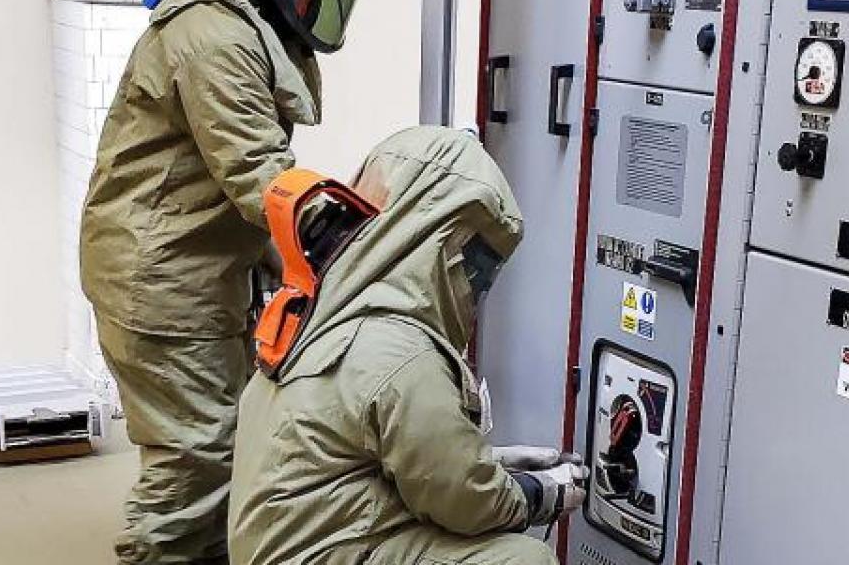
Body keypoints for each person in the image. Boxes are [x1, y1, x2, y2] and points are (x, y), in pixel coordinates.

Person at [79, 0, 375, 565]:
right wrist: (373, 248)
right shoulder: (214, 35)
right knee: (195, 468)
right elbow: (259, 178)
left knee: (220, 449)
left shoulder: (247, 8)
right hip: (163, 284)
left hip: (187, 265)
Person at [228, 126, 588, 565]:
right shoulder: (398, 349)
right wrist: (536, 495)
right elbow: (464, 502)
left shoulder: (328, 309)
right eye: (475, 263)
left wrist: (489, 463)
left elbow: (363, 459)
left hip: (304, 546)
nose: (478, 285)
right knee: (522, 559)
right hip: (325, 553)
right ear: (431, 243)